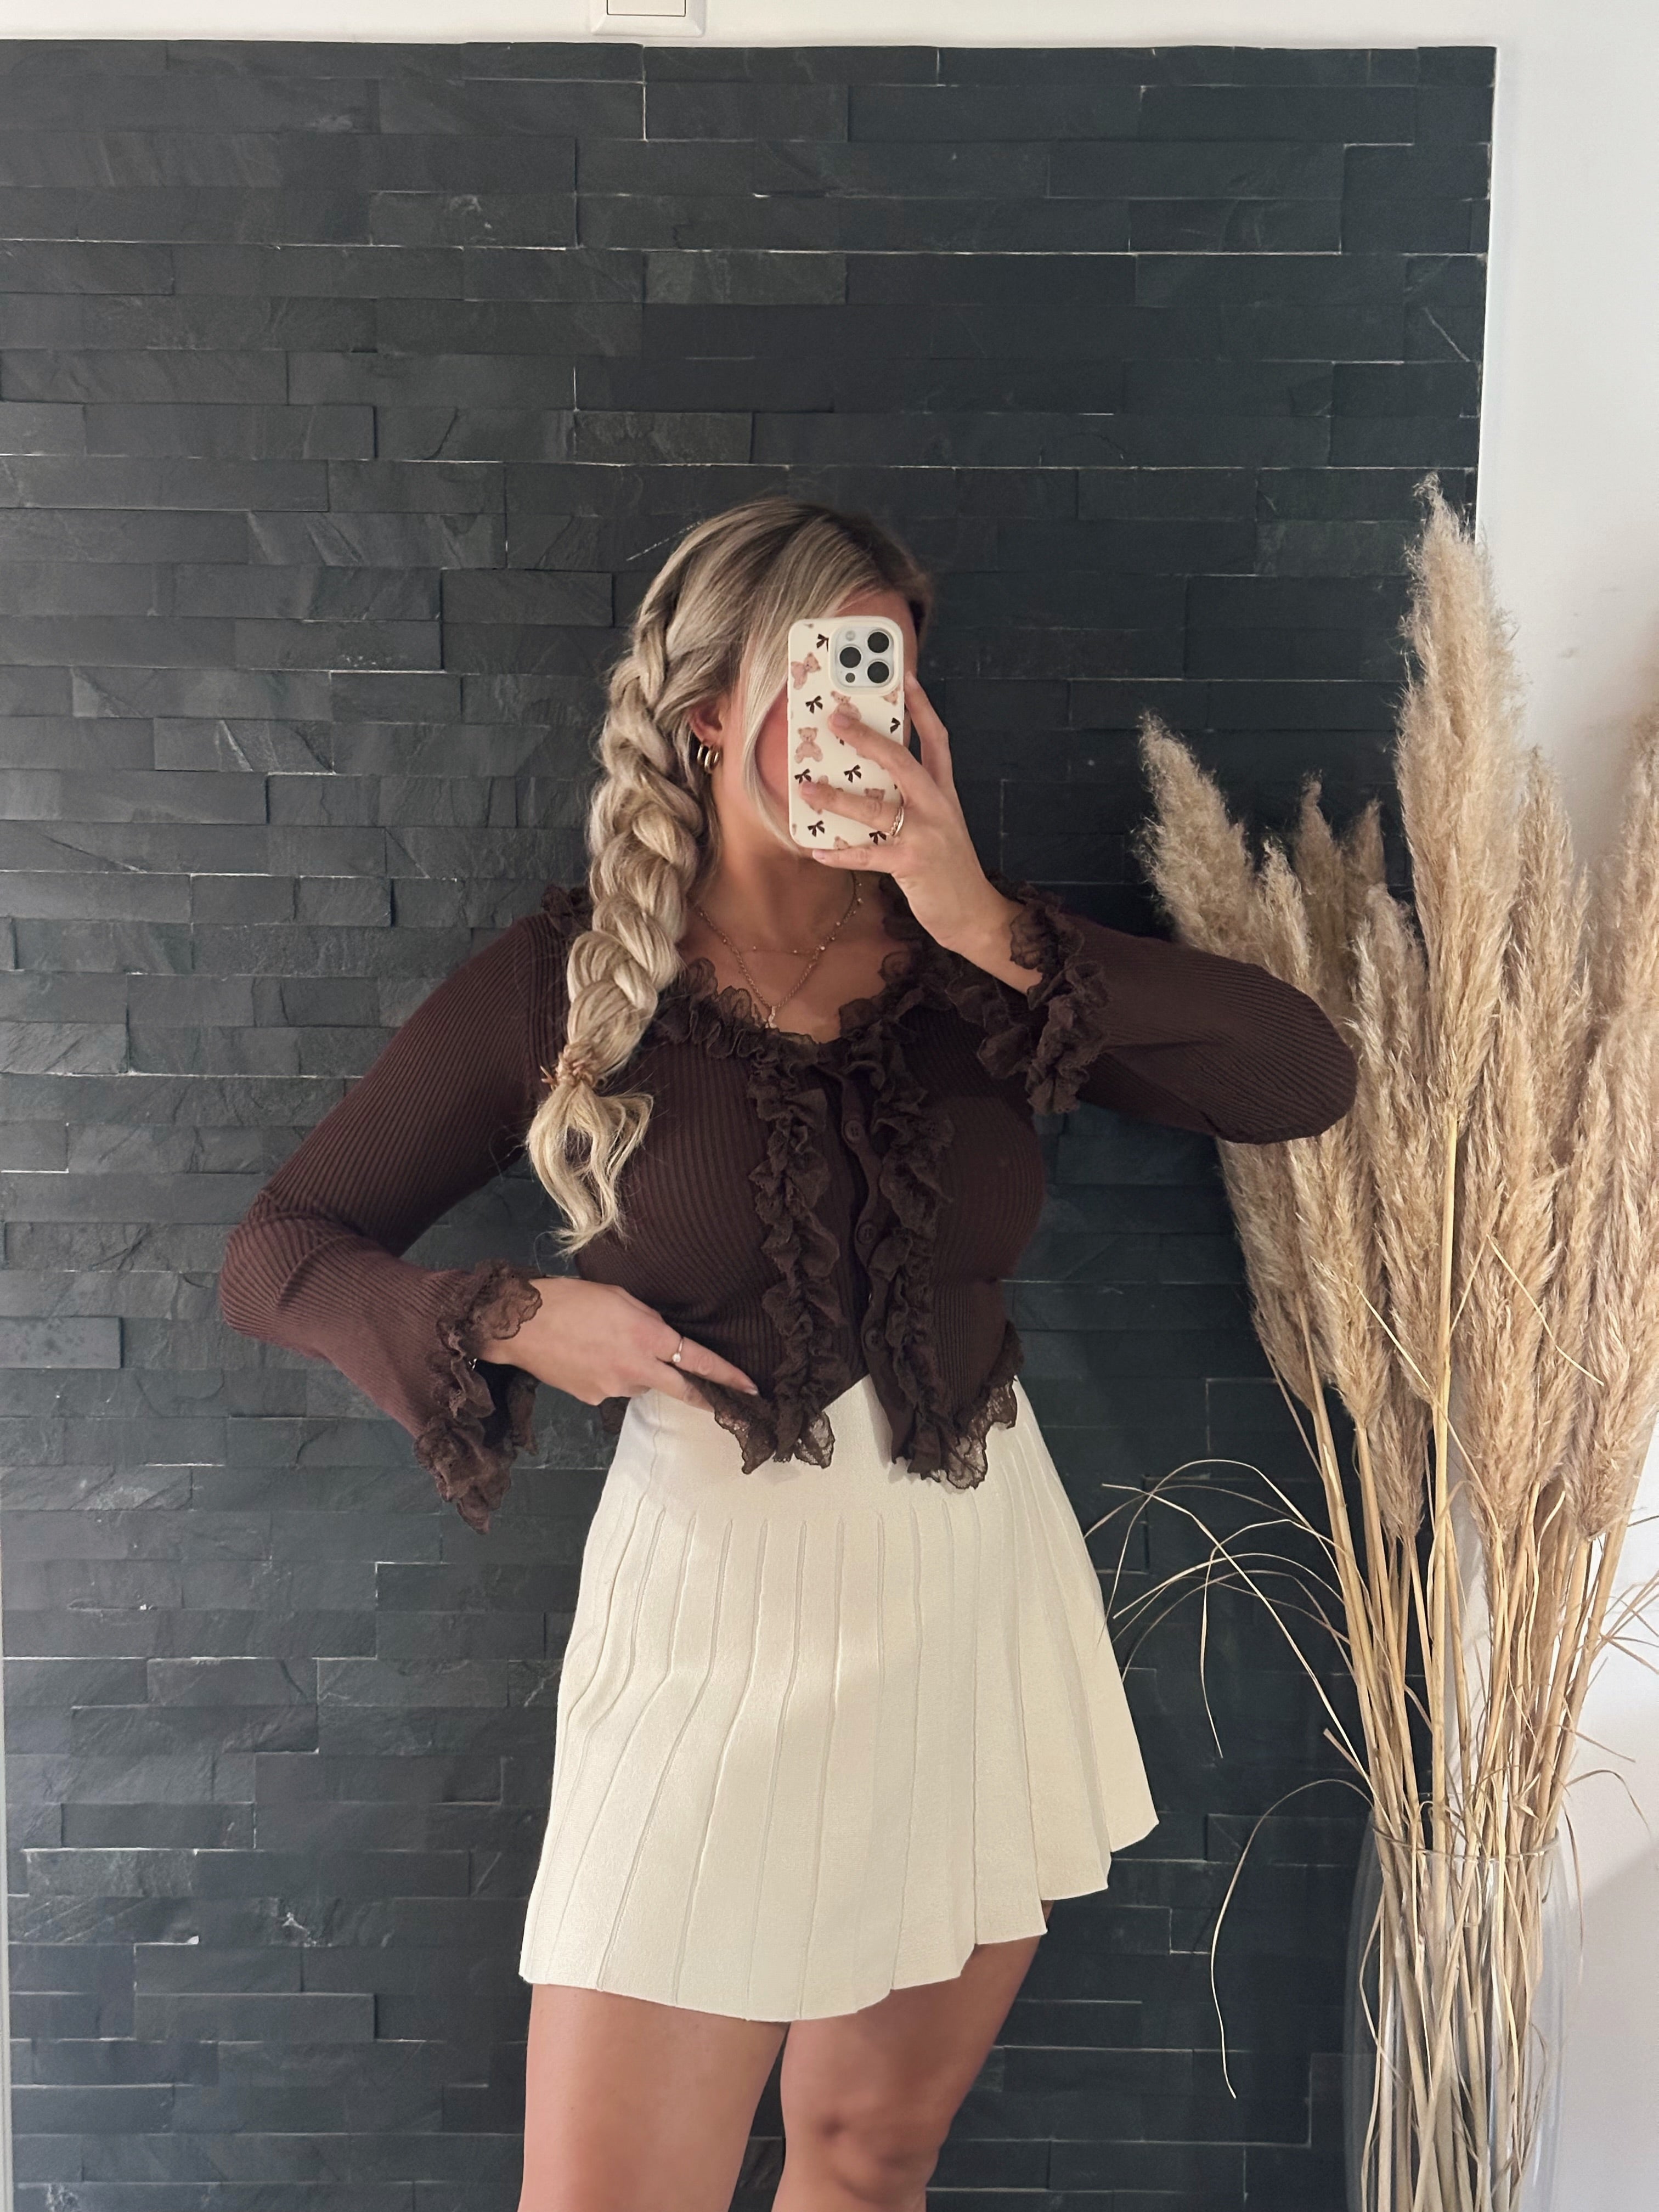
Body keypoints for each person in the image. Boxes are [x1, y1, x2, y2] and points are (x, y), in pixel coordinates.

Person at [219, 497, 1357, 2212]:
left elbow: (1304, 1079)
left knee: (866, 2161)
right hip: (709, 1628)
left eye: (885, 674)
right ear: (703, 716)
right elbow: (281, 1250)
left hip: (973, 1596)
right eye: (820, 674)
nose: (860, 721)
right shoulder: (572, 982)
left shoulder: (985, 971)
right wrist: (514, 1317)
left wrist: (980, 917)